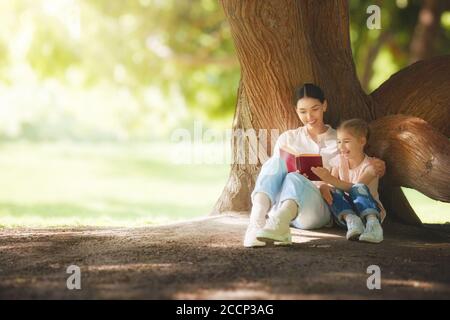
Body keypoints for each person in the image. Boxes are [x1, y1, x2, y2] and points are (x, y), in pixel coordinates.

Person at [243, 83, 385, 247]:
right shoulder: (288, 138)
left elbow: (358, 163)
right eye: (303, 111)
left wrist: (377, 165)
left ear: (324, 105)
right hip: (282, 203)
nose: (309, 116)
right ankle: (256, 223)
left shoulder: (338, 139)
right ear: (296, 110)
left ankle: (279, 224)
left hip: (318, 207)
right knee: (274, 163)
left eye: (314, 109)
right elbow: (273, 176)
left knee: (295, 179)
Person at [310, 119, 385, 243]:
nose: (341, 146)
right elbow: (331, 185)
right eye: (339, 142)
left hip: (369, 210)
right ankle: (352, 221)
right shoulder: (338, 161)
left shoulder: (371, 166)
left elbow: (354, 188)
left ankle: (374, 227)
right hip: (347, 212)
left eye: (346, 141)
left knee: (358, 188)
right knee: (333, 190)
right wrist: (326, 184)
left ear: (362, 141)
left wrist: (330, 178)